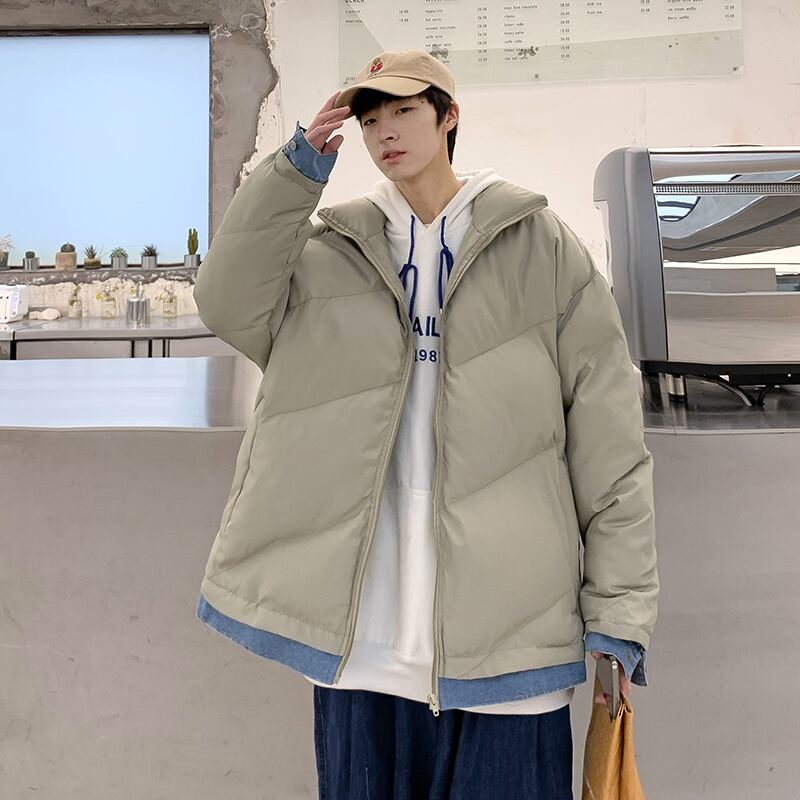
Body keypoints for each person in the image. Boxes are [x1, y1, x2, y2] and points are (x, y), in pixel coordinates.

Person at [194, 49, 659, 799]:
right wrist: (295, 169)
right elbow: (226, 302)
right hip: (361, 648)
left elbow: (611, 449)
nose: (386, 131)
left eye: (405, 110)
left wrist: (619, 613)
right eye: (370, 119)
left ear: (449, 117)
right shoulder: (328, 252)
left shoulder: (543, 247)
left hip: (511, 645)